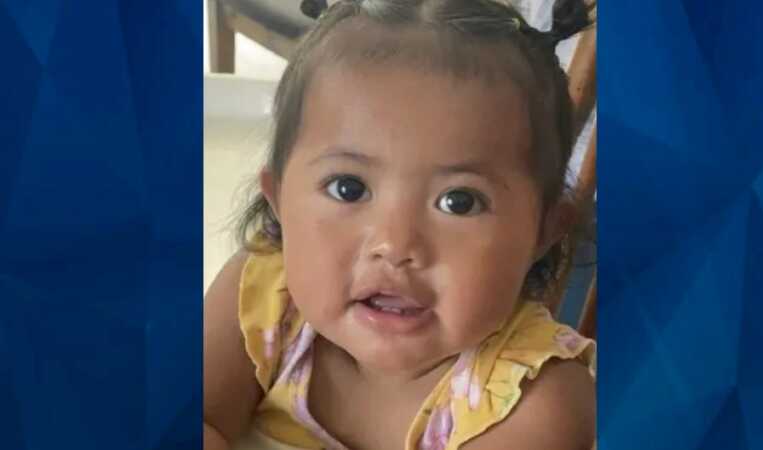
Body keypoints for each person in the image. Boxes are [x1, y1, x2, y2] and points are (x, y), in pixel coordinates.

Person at [204, 1, 597, 449]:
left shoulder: (538, 401)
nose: (394, 244)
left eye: (459, 202)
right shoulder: (261, 298)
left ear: (544, 231)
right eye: (349, 188)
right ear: (278, 200)